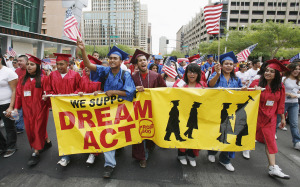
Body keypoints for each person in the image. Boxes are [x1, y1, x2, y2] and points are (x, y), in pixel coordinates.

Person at [77, 38, 136, 178]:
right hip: (106, 109)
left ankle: (117, 148)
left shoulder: (125, 74)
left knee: (118, 132)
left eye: (115, 58)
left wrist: (114, 92)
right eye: (110, 58)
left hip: (121, 109)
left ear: (121, 61)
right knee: (108, 133)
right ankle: (109, 165)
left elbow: (130, 93)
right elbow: (89, 65)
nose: (112, 60)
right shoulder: (106, 71)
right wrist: (83, 50)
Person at [250, 59, 290, 179]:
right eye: (267, 70)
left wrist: (282, 118)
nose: (268, 73)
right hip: (255, 115)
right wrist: (254, 92)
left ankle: (272, 167)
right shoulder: (256, 83)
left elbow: (281, 103)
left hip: (270, 117)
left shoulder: (280, 87)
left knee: (270, 141)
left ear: (277, 75)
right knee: (247, 136)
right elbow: (245, 98)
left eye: (272, 71)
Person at [207, 51, 245, 172]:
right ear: (221, 65)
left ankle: (225, 159)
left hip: (232, 110)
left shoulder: (236, 78)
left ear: (234, 66)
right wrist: (217, 74)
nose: (228, 66)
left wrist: (244, 90)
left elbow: (239, 93)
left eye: (231, 64)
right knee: (216, 131)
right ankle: (212, 151)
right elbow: (210, 85)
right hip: (217, 109)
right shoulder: (215, 74)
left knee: (229, 134)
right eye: (226, 63)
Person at [14, 54, 52, 166]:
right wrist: (16, 108)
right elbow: (18, 95)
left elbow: (48, 92)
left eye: (32, 64)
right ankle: (47, 142)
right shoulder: (22, 79)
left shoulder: (43, 79)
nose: (29, 66)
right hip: (27, 110)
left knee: (36, 128)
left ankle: (36, 153)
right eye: (28, 64)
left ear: (38, 66)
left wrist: (47, 97)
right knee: (31, 128)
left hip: (40, 108)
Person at [131, 49, 166, 168]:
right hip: (138, 110)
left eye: (144, 60)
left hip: (153, 109)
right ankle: (142, 157)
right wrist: (135, 89)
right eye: (140, 61)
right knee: (139, 132)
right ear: (137, 64)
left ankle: (150, 146)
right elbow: (128, 91)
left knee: (150, 130)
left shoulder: (156, 76)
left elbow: (164, 91)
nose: (142, 62)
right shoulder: (133, 77)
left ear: (147, 62)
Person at [45, 53, 81, 167]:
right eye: (57, 64)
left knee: (75, 129)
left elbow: (80, 88)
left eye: (61, 64)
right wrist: (54, 95)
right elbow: (48, 89)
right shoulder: (52, 75)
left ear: (67, 64)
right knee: (62, 130)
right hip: (59, 108)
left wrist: (72, 95)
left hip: (72, 107)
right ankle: (66, 154)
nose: (59, 66)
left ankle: (77, 148)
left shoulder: (75, 75)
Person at [173, 63, 207, 167]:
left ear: (198, 74)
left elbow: (207, 98)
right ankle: (181, 155)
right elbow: (171, 94)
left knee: (195, 135)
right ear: (186, 73)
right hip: (182, 114)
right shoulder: (180, 82)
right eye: (190, 72)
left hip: (197, 115)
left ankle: (192, 155)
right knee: (182, 134)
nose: (192, 74)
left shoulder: (202, 85)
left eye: (194, 72)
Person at [278, 63, 300, 150]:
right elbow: (279, 91)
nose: (297, 71)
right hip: (283, 103)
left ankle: (297, 142)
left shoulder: (298, 80)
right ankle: (270, 137)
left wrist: (297, 94)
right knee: (277, 121)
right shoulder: (284, 79)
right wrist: (288, 94)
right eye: (295, 69)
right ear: (290, 69)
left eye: (298, 69)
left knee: (294, 123)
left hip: (294, 103)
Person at [0, 55, 18, 158]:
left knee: (9, 126)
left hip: (6, 104)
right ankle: (2, 146)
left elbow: (15, 90)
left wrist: (11, 106)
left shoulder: (8, 72)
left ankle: (11, 146)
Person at [14, 55, 28, 133]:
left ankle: (19, 126)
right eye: (18, 61)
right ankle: (18, 126)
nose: (19, 62)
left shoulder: (30, 70)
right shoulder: (16, 71)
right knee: (18, 110)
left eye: (21, 61)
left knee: (22, 112)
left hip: (28, 95)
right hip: (18, 94)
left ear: (26, 61)